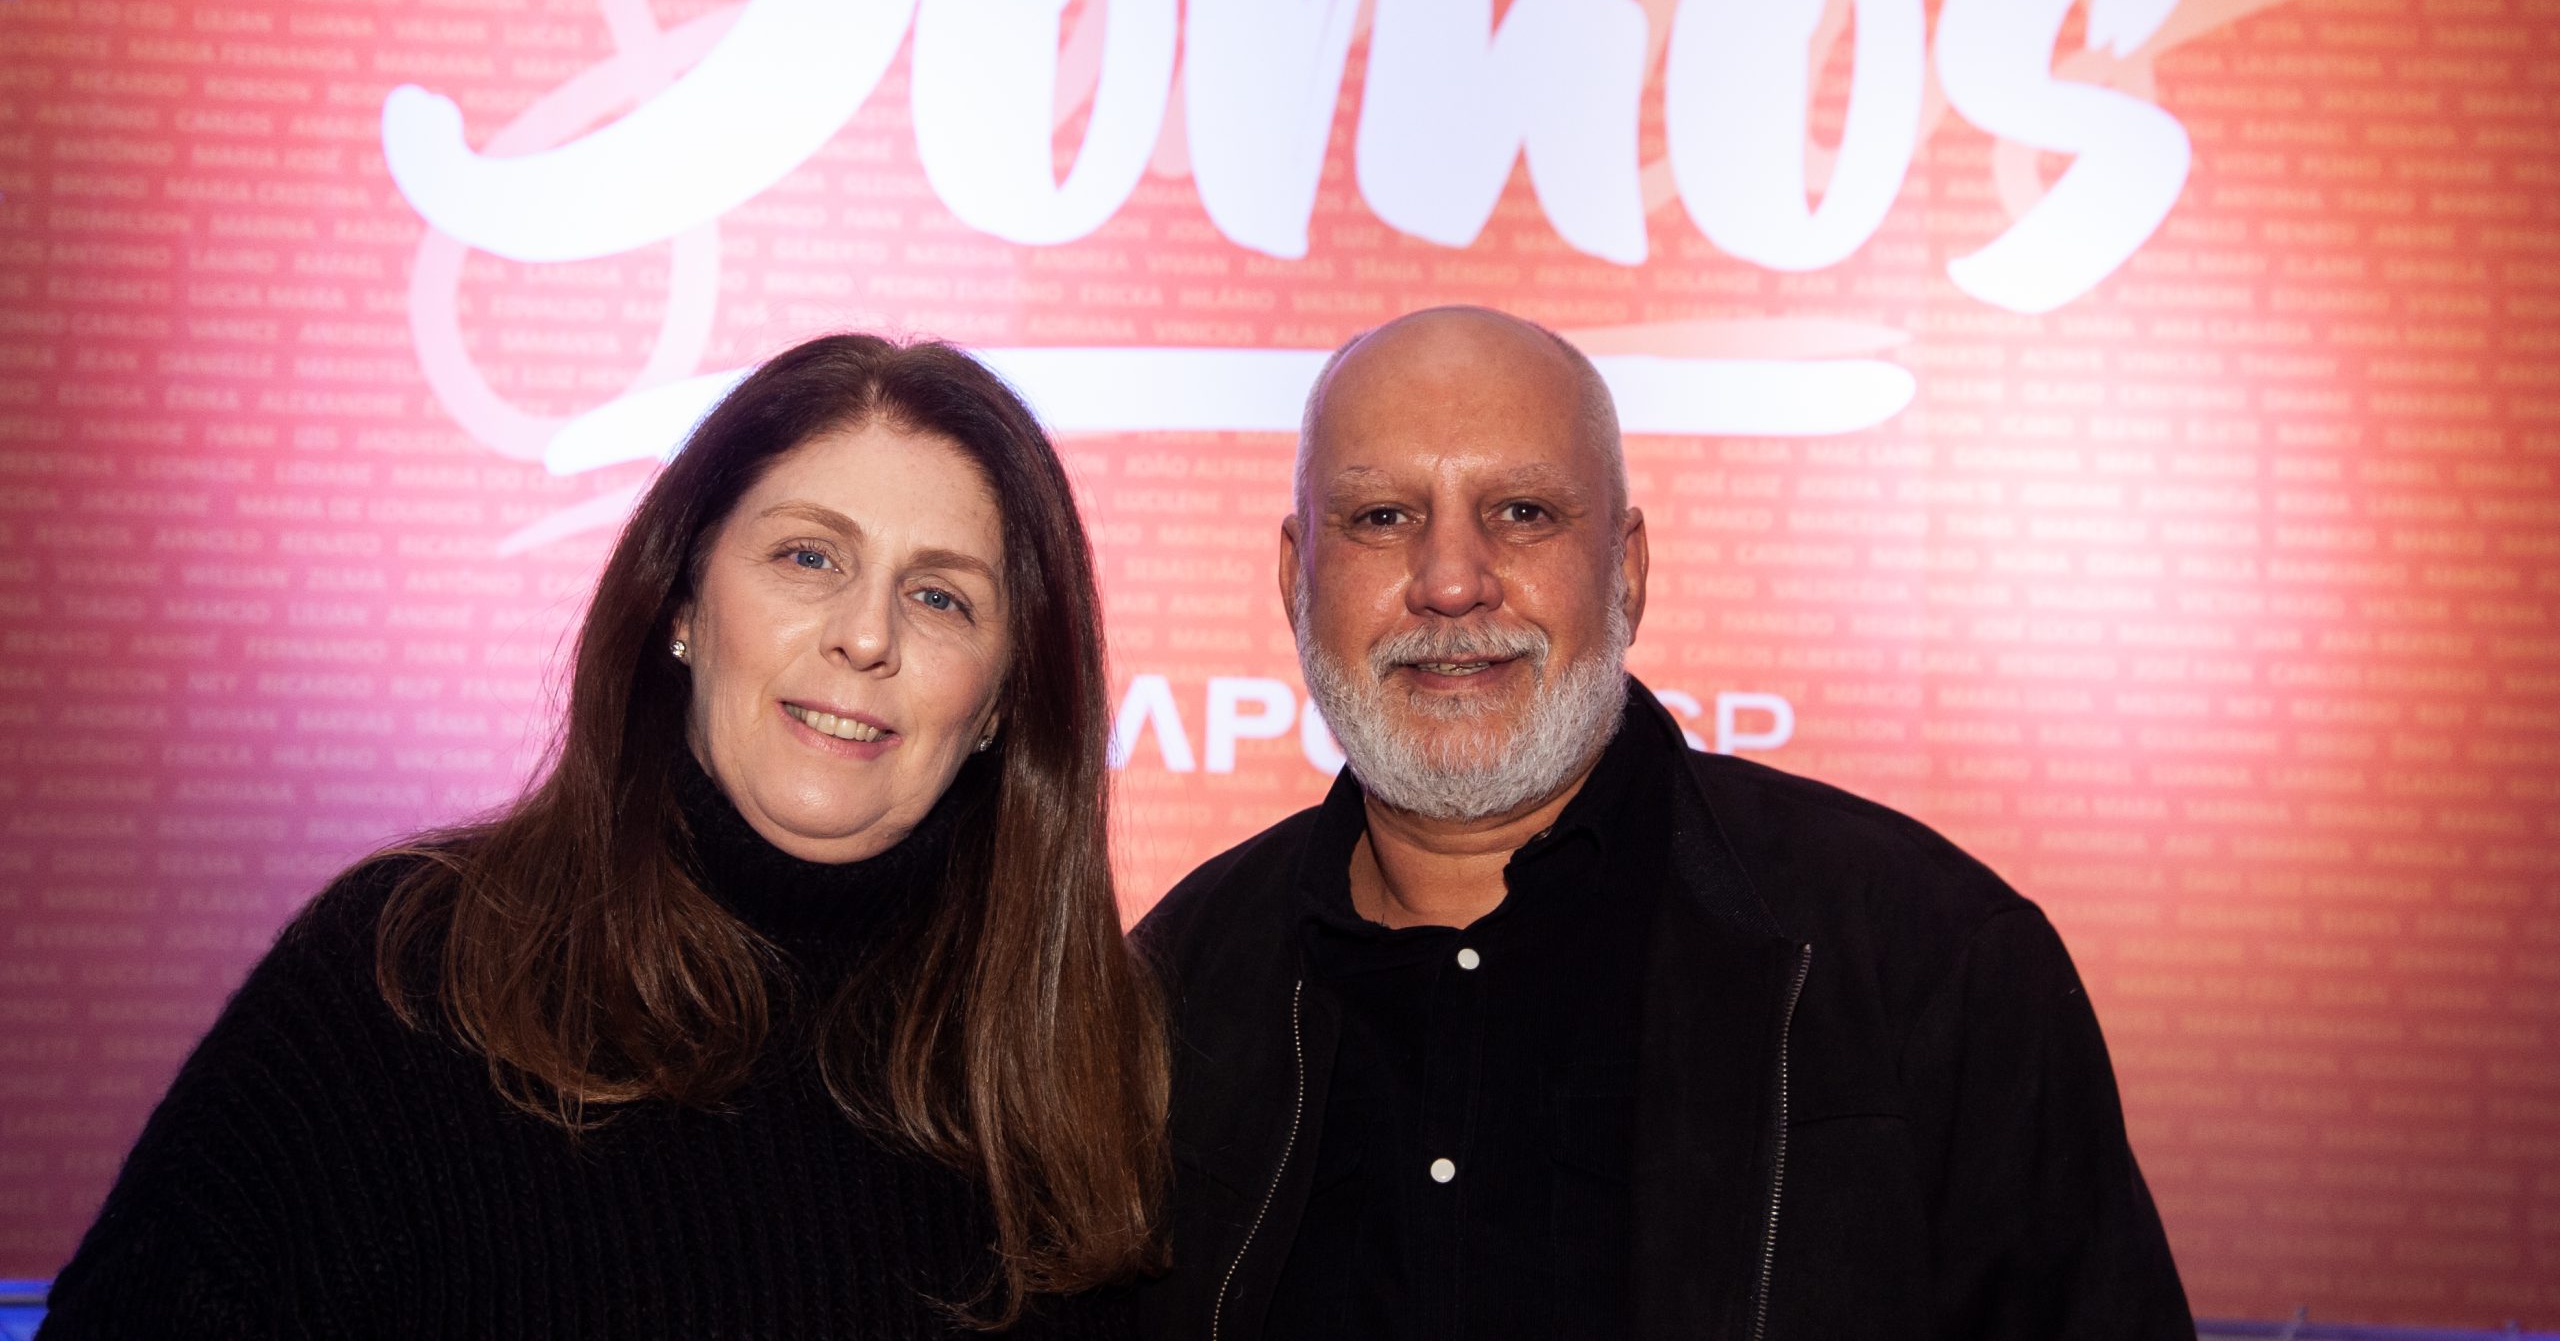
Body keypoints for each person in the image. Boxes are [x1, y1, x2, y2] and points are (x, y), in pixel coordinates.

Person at [42, 334, 1166, 1339]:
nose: (866, 635)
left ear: (1004, 701)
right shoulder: (408, 973)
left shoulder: (1075, 1065)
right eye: (808, 557)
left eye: (940, 597)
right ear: (682, 606)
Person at [1133, 306, 2193, 1341]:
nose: (1451, 581)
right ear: (1297, 579)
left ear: (1627, 570)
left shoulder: (1930, 963)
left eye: (1522, 511)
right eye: (1381, 518)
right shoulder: (1160, 1002)